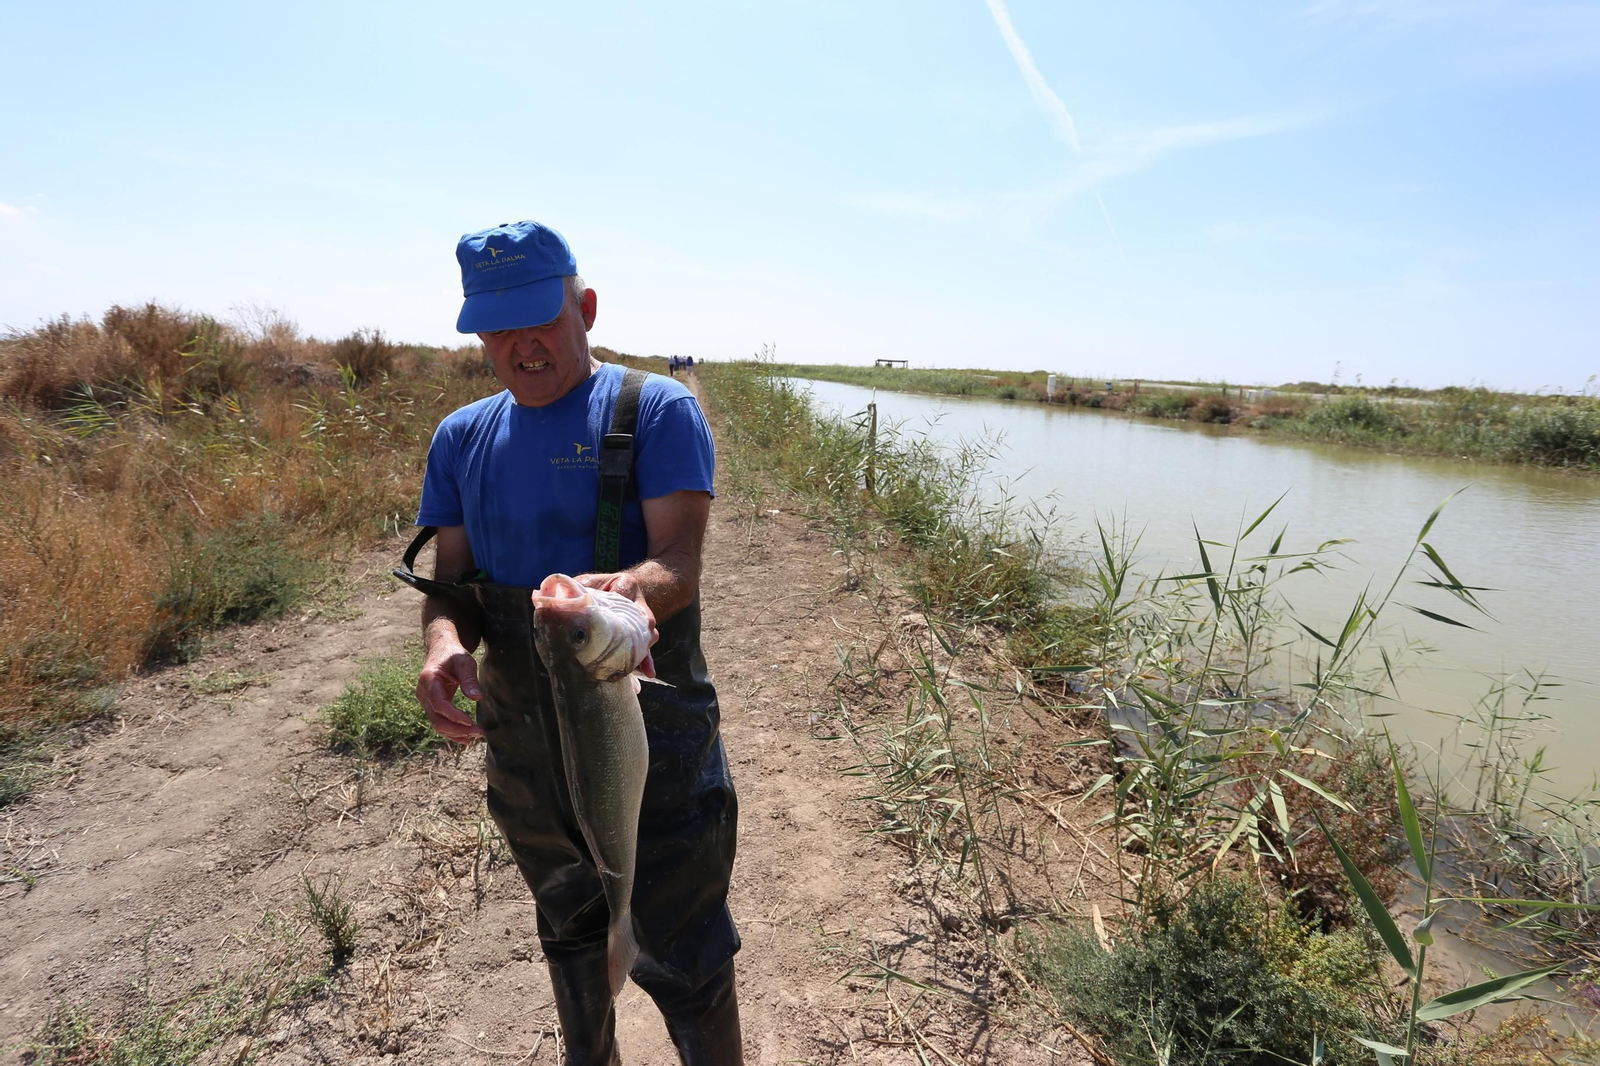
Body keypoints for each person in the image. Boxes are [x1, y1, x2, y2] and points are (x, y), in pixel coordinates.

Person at [395, 220, 743, 1065]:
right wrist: (444, 644)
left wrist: (627, 592)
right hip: (524, 748)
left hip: (646, 730)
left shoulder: (654, 409)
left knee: (687, 952)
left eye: (540, 321)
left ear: (583, 308)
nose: (522, 346)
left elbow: (679, 560)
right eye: (498, 328)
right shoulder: (461, 438)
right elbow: (452, 584)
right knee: (572, 936)